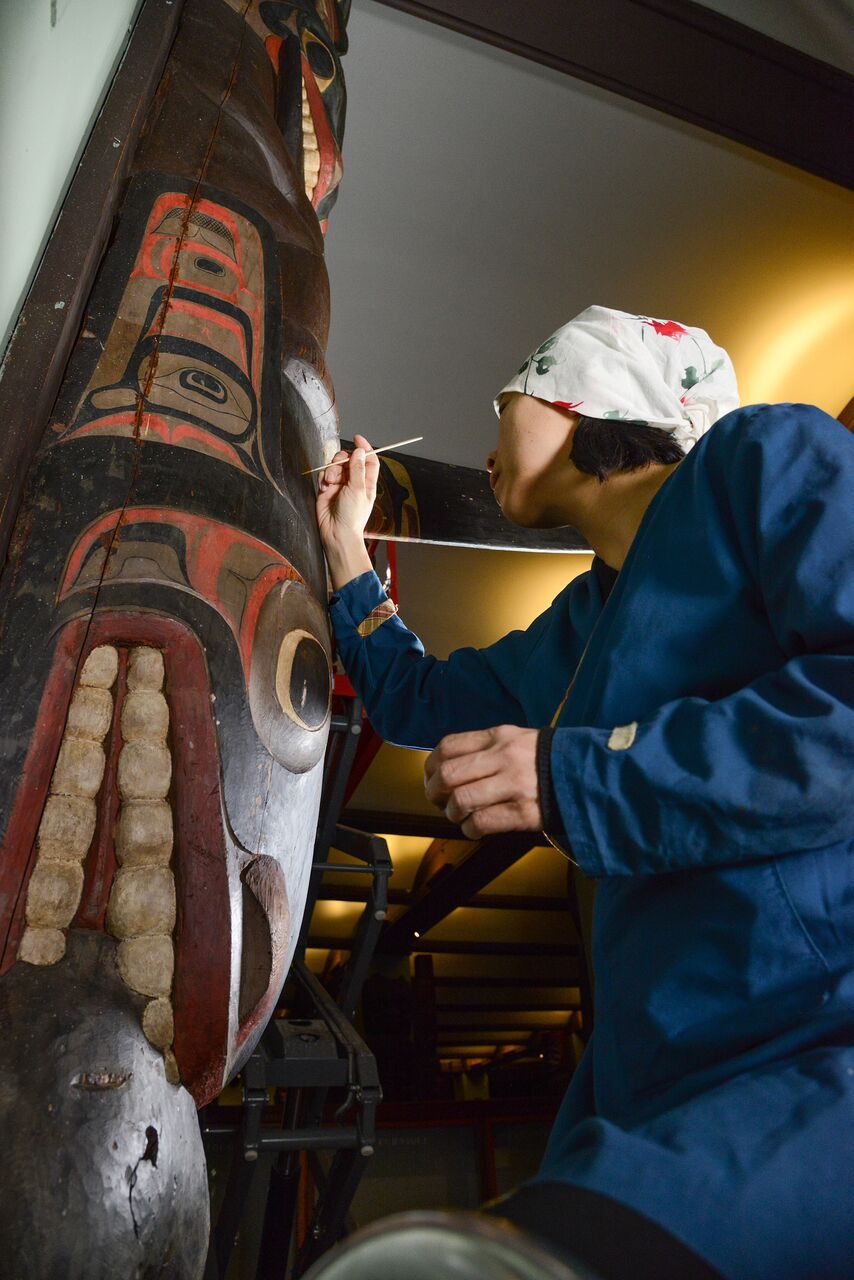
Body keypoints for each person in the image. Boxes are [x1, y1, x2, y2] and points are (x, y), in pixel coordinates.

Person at [313, 306, 854, 1280]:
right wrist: (349, 549)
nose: (488, 437)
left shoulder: (769, 457)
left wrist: (574, 774)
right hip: (645, 1064)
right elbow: (417, 697)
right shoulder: (581, 620)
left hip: (809, 1038)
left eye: (507, 395)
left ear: (586, 393)